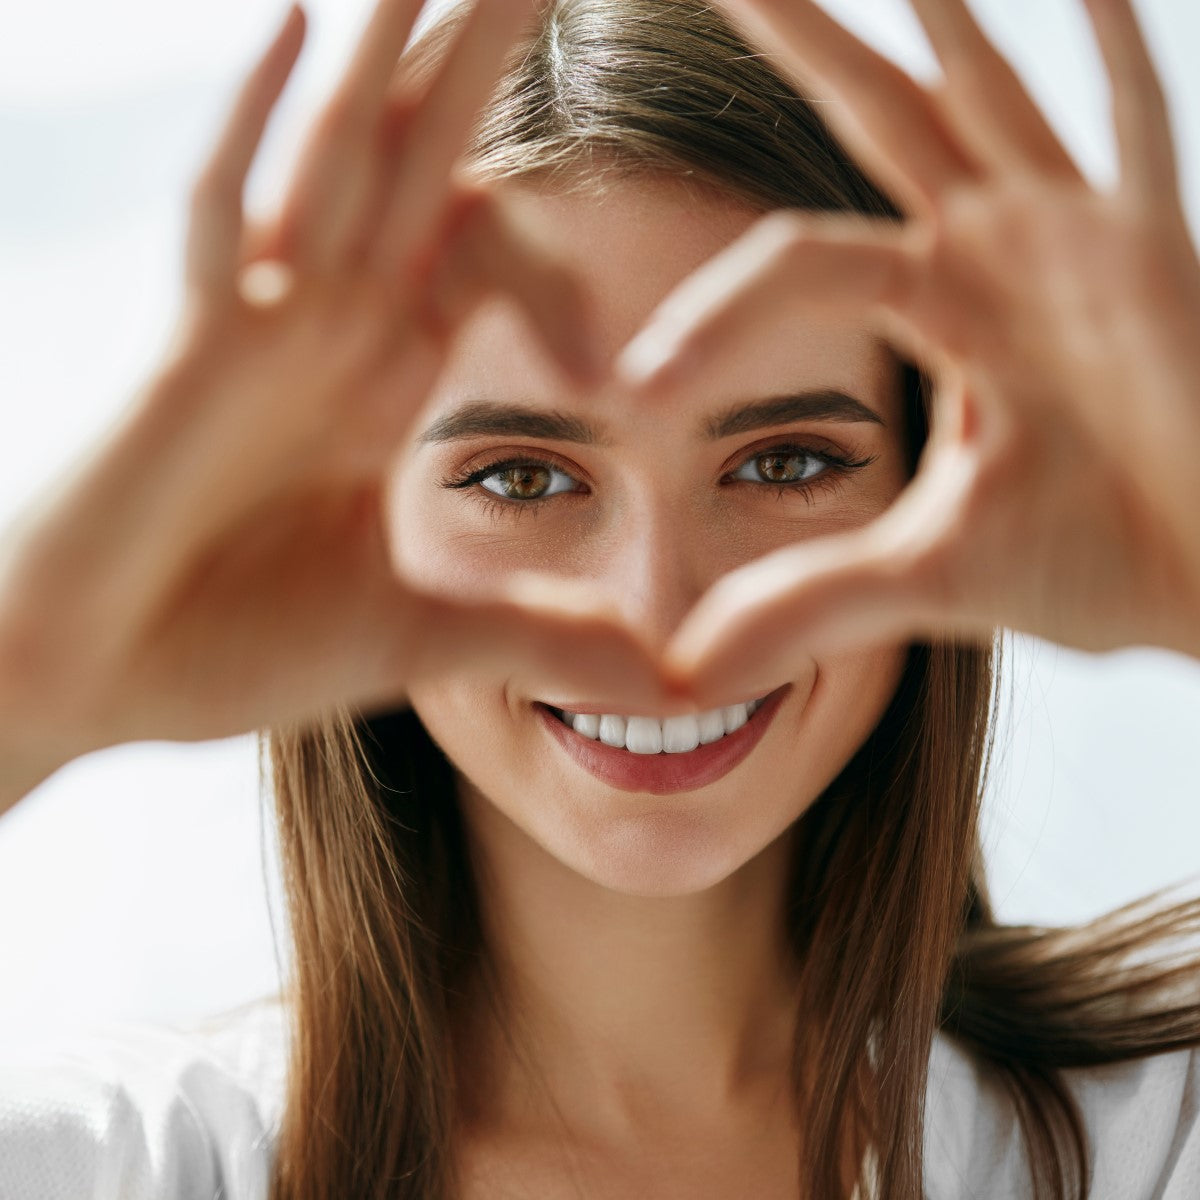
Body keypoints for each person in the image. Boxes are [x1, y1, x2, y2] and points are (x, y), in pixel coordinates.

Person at [0, 0, 1198, 1196]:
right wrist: (24, 684)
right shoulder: (115, 1165)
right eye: (522, 477)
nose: (656, 609)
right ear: (357, 510)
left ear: (931, 478)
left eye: (786, 462)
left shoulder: (1156, 1133)